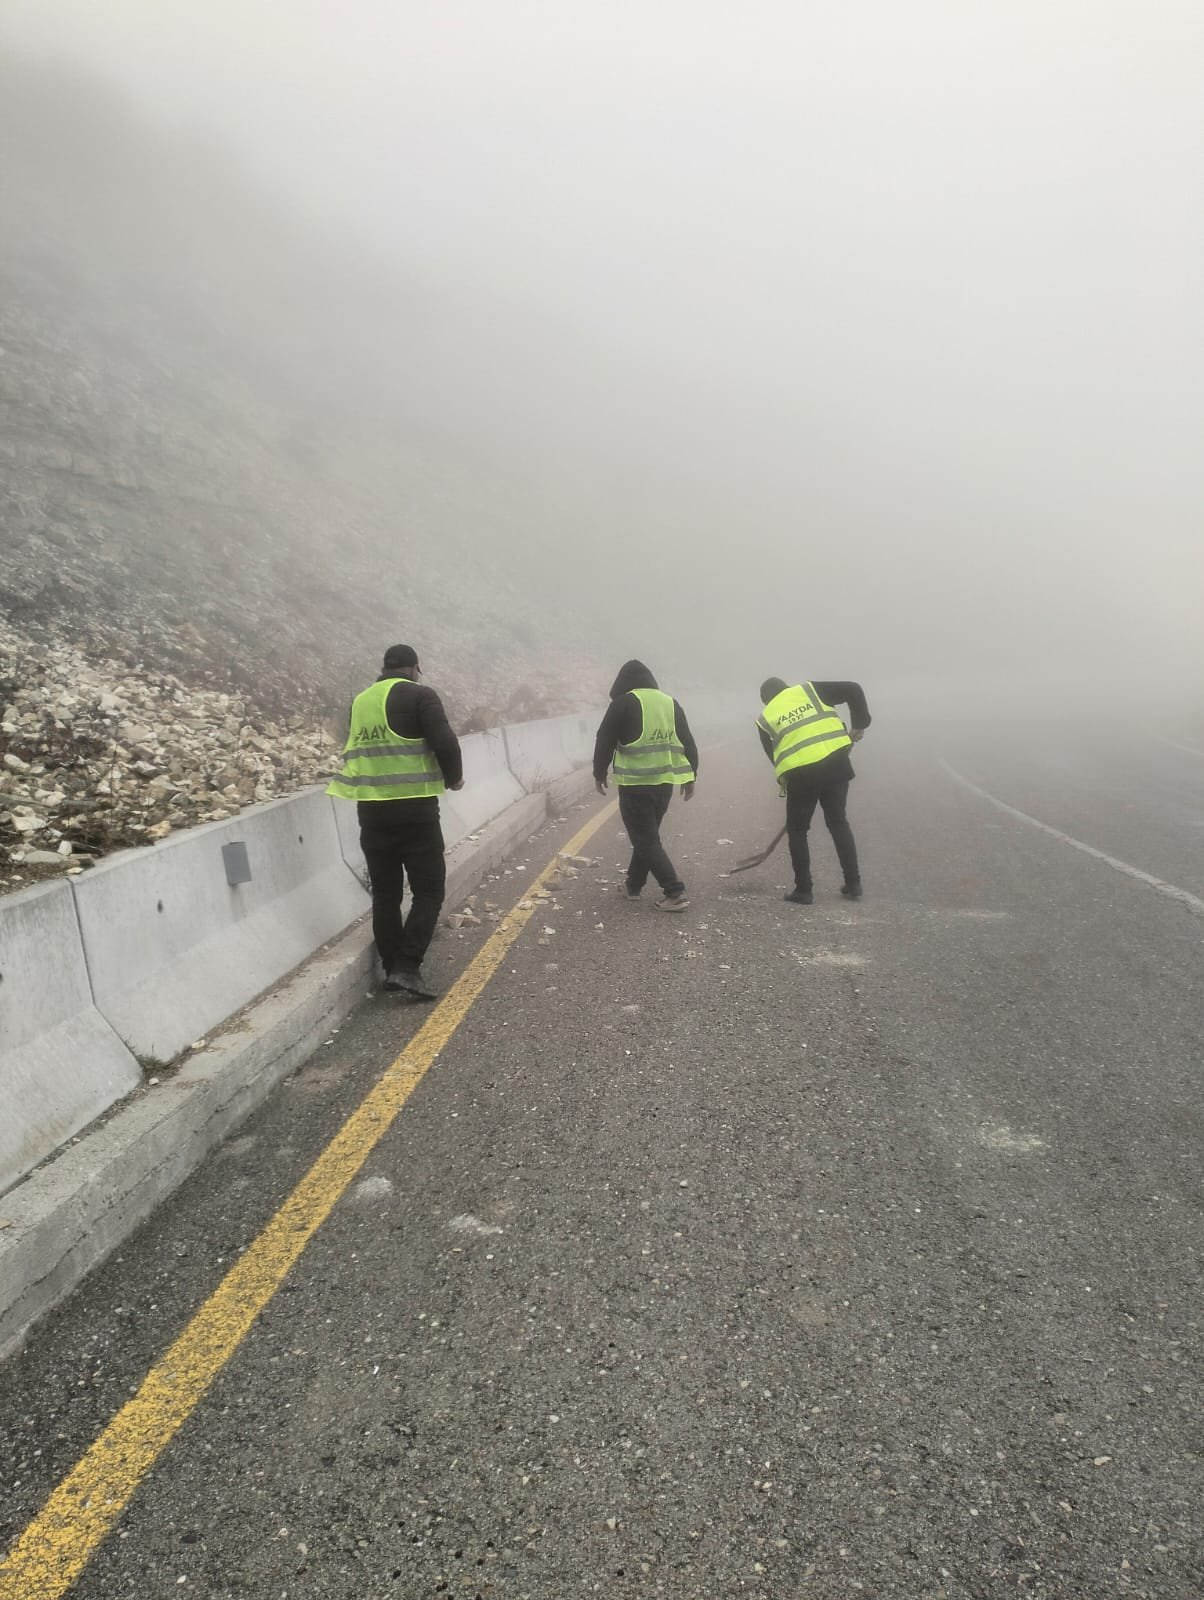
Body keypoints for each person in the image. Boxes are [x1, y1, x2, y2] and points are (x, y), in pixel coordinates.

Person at [327, 644, 463, 998]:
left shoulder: (360, 701)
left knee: (386, 894)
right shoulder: (420, 695)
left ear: (385, 668)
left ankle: (391, 967)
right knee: (429, 890)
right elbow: (445, 741)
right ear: (415, 668)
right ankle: (406, 967)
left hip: (372, 812)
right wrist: (454, 778)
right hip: (415, 812)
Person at [593, 659, 698, 911]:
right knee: (647, 837)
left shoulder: (623, 703)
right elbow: (687, 741)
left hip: (636, 785)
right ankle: (633, 885)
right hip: (664, 784)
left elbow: (604, 738)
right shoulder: (670, 703)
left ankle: (674, 891)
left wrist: (599, 773)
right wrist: (691, 775)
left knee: (645, 840)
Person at [756, 676, 871, 904]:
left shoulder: (764, 718)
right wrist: (859, 723)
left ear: (765, 700)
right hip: (836, 765)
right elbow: (853, 689)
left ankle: (804, 889)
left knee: (797, 830)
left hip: (801, 775)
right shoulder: (810, 691)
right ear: (785, 687)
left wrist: (788, 780)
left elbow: (774, 757)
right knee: (838, 822)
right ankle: (853, 883)